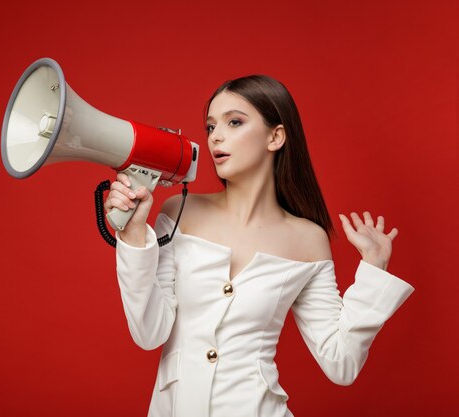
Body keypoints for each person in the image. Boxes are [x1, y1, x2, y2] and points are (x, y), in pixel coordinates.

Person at [104, 75, 414, 417]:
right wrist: (133, 236)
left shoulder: (308, 239)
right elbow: (149, 332)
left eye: (234, 122)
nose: (216, 137)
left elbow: (341, 362)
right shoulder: (180, 212)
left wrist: (373, 269)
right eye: (210, 127)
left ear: (275, 136)